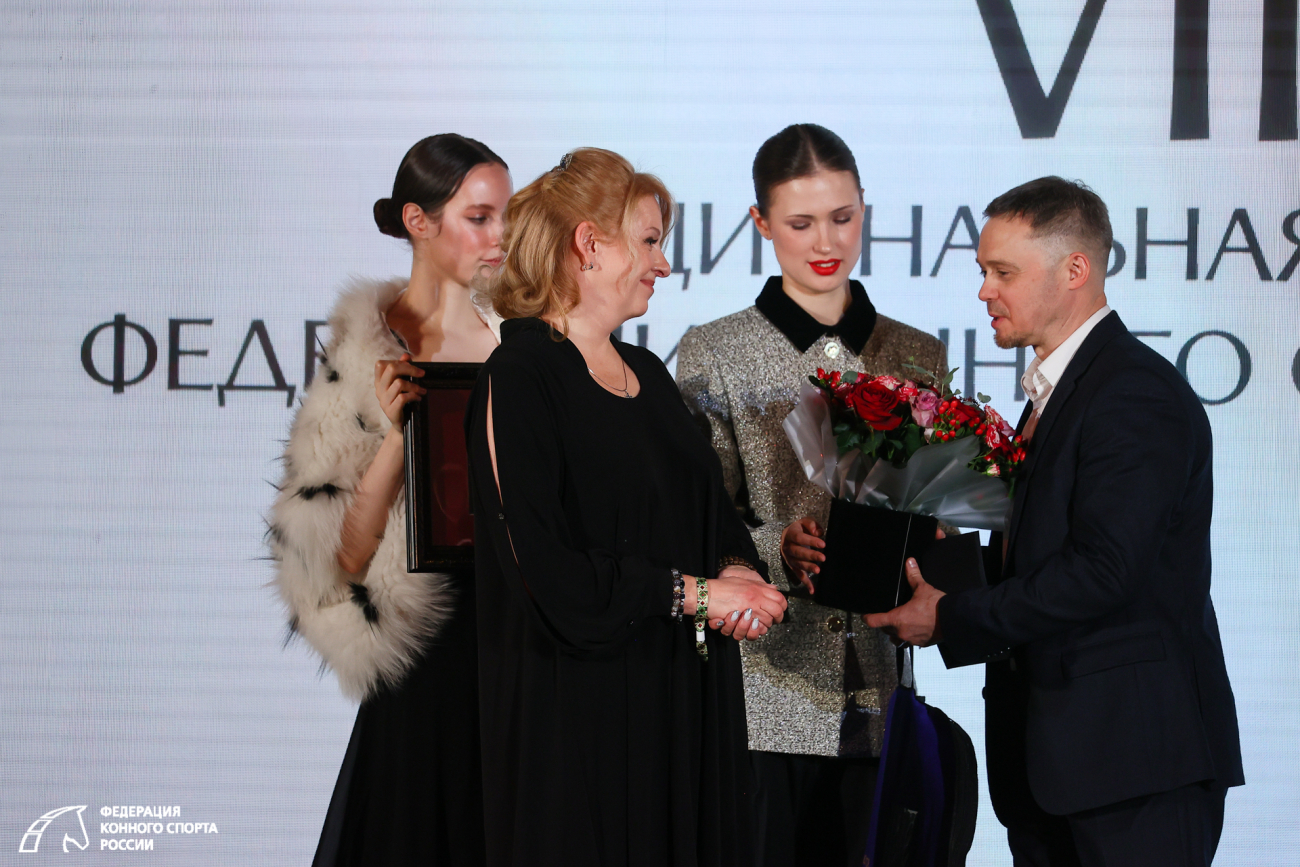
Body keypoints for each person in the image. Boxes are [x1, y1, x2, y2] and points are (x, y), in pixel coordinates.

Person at [866, 177, 1244, 867]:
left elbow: (1104, 571)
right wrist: (932, 556)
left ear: (1075, 270)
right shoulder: (1064, 390)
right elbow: (1044, 556)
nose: (984, 291)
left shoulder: (1132, 392)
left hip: (1131, 769)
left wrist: (950, 615)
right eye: (983, 271)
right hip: (1058, 768)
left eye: (1003, 272)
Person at [464, 147, 789, 867]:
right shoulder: (518, 377)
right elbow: (544, 572)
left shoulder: (645, 369)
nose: (663, 265)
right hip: (580, 717)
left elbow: (710, 512)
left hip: (680, 700)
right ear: (589, 243)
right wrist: (698, 594)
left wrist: (738, 571)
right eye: (649, 241)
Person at [675, 124, 948, 867]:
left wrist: (940, 541)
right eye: (800, 223)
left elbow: (934, 505)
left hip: (879, 690)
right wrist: (773, 547)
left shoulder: (917, 352)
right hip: (763, 693)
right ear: (761, 223)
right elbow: (692, 515)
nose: (825, 242)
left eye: (842, 217)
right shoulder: (713, 351)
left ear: (864, 210)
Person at [268, 133, 511, 865]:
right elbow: (339, 556)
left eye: (505, 216)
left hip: (524, 637)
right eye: (479, 217)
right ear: (418, 221)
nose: (500, 237)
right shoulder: (361, 355)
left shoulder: (527, 343)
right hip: (422, 649)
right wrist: (402, 437)